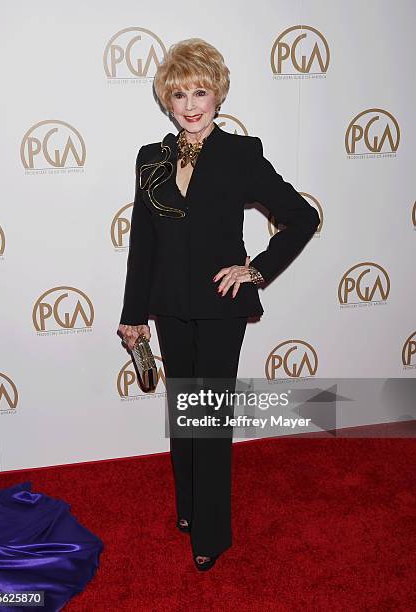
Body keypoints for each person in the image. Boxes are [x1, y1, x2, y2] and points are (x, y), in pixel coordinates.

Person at [117, 38, 320, 571]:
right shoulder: (151, 159)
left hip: (221, 305)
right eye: (179, 93)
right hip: (169, 307)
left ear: (217, 95)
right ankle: (188, 509)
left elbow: (301, 218)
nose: (190, 103)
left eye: (200, 91)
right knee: (184, 414)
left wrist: (256, 269)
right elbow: (144, 242)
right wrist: (133, 314)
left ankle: (211, 532)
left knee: (207, 419)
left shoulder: (239, 154)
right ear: (167, 99)